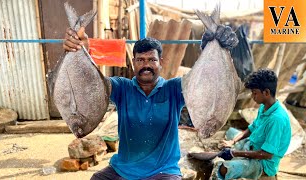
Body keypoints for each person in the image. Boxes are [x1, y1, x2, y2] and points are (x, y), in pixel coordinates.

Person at [63, 25, 238, 179]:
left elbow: (203, 80)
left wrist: (209, 47)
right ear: (134, 63)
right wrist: (82, 52)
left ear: (160, 62)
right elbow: (94, 84)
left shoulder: (174, 88)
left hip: (163, 172)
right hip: (123, 170)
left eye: (152, 60)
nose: (146, 65)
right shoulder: (121, 88)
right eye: (140, 60)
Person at [210, 69, 292, 180]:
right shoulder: (264, 107)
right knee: (231, 132)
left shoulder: (276, 119)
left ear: (266, 92)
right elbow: (251, 128)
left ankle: (266, 176)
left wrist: (234, 153)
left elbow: (267, 154)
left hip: (263, 163)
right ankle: (235, 149)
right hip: (253, 145)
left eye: (254, 93)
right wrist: (233, 141)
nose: (252, 96)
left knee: (223, 168)